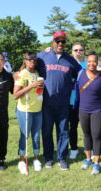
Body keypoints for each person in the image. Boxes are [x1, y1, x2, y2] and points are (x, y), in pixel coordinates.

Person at [37, 31, 82, 170]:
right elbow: (28, 64)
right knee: (47, 131)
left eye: (63, 41)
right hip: (46, 103)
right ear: (53, 42)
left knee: (63, 132)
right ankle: (49, 158)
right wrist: (17, 74)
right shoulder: (42, 56)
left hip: (63, 103)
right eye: (58, 41)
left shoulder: (70, 60)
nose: (60, 44)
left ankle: (62, 158)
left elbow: (80, 74)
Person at [77, 52, 101, 175]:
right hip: (83, 109)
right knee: (86, 135)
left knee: (96, 136)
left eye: (94, 61)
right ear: (86, 62)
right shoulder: (80, 74)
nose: (91, 63)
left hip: (98, 110)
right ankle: (88, 159)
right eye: (89, 61)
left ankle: (96, 163)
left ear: (97, 62)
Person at [14, 52, 43, 174]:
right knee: (24, 135)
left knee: (36, 136)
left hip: (38, 109)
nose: (32, 61)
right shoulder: (21, 74)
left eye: (34, 59)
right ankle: (21, 160)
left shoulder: (36, 73)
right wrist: (31, 86)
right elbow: (15, 95)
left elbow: (38, 90)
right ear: (25, 61)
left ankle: (36, 158)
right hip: (25, 110)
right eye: (29, 59)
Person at [68, 42, 87, 159]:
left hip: (85, 101)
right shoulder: (67, 64)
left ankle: (89, 148)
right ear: (72, 52)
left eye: (80, 50)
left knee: (87, 127)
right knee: (73, 126)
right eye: (75, 50)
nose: (78, 52)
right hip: (71, 101)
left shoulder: (88, 64)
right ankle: (74, 148)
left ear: (83, 51)